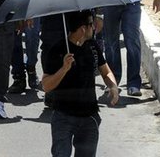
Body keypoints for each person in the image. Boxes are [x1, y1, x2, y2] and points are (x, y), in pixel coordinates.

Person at [41, 10, 120, 157]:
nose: (94, 27)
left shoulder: (92, 46)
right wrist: (63, 69)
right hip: (63, 117)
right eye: (91, 24)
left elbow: (105, 71)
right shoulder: (58, 50)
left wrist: (113, 86)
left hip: (89, 117)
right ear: (83, 28)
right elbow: (46, 85)